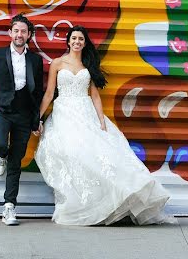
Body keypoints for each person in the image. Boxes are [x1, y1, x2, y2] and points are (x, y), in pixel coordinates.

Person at [34, 25, 172, 226]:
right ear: (68, 41)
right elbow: (49, 94)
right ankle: (81, 203)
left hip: (85, 111)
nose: (77, 42)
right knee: (74, 155)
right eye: (74, 38)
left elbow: (95, 96)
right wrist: (37, 117)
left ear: (84, 43)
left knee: (100, 155)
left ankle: (110, 203)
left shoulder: (88, 66)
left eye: (81, 39)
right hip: (64, 113)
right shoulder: (57, 63)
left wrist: (100, 120)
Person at [0, 13, 45, 226]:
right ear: (10, 33)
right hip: (2, 111)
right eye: (16, 30)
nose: (19, 34)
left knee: (16, 161)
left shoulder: (35, 60)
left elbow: (38, 93)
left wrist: (36, 120)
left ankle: (9, 207)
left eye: (23, 31)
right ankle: (0, 155)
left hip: (24, 114)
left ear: (29, 35)